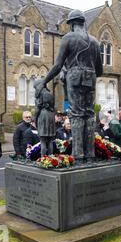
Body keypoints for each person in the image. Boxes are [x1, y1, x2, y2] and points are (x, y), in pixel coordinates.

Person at [41, 9, 103, 162]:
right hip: (91, 78)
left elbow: (57, 66)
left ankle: (78, 154)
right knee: (89, 115)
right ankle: (90, 154)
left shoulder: (68, 38)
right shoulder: (95, 41)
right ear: (83, 22)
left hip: (74, 77)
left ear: (71, 24)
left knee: (76, 114)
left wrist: (44, 81)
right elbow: (100, 70)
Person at [34, 80, 56, 156]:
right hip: (51, 115)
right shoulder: (50, 93)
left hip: (43, 115)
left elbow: (37, 109)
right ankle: (50, 158)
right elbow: (54, 107)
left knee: (43, 140)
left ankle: (43, 159)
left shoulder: (39, 95)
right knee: (50, 140)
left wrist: (35, 119)